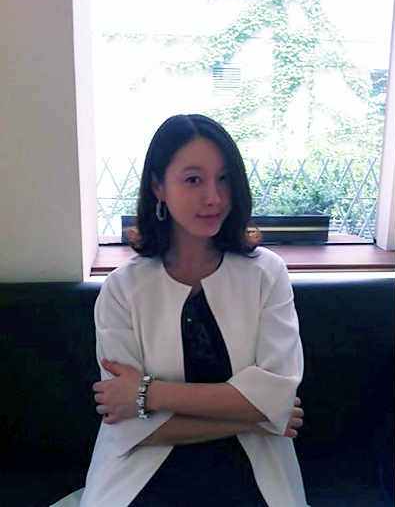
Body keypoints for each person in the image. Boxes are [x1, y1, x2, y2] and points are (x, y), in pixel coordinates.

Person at [52, 114, 307, 507]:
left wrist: (146, 393)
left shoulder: (266, 273)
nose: (214, 197)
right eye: (193, 180)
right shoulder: (123, 289)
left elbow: (277, 394)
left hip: (252, 470)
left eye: (224, 179)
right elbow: (131, 428)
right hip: (143, 471)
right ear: (158, 186)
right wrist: (255, 418)